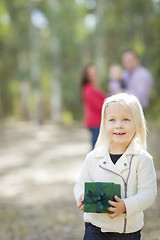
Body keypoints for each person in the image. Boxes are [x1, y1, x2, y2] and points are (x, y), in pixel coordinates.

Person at [74, 93, 157, 240]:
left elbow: (148, 193)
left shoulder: (143, 159)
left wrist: (125, 205)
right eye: (112, 120)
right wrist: (80, 196)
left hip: (127, 231)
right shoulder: (93, 157)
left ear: (137, 124)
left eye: (126, 119)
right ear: (104, 124)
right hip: (95, 227)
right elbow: (80, 184)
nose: (119, 125)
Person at [81, 64, 107, 149]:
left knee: (98, 147)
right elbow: (99, 106)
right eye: (91, 74)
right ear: (87, 76)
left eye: (95, 73)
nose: (94, 76)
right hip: (95, 122)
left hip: (98, 121)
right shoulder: (89, 89)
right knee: (97, 149)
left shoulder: (94, 87)